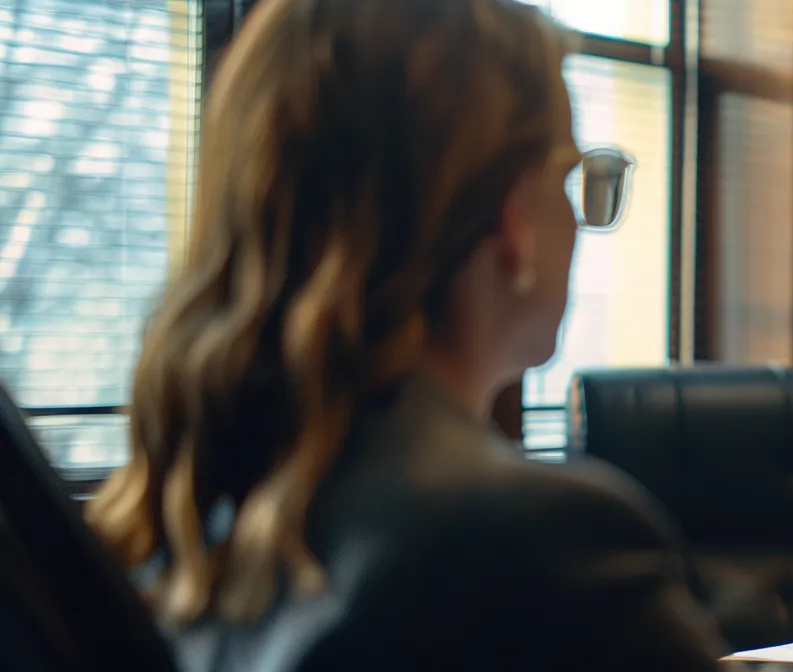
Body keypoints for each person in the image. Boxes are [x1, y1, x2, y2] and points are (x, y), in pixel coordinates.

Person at [82, 0, 728, 669]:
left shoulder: (164, 532)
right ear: (514, 220)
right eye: (569, 177)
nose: (576, 218)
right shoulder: (543, 546)